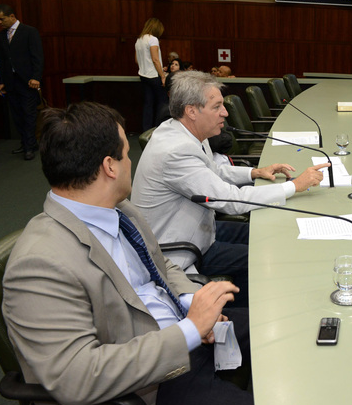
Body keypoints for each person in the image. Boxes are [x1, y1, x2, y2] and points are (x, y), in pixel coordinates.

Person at [2, 101, 254, 405]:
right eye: (126, 153)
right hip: (147, 391)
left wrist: (192, 302)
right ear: (110, 166)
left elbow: (162, 266)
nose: (131, 161)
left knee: (281, 327)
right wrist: (190, 330)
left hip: (181, 336)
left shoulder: (120, 210)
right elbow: (78, 377)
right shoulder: (39, 264)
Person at [131, 71, 328, 307]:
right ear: (192, 111)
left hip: (202, 230)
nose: (225, 112)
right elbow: (230, 201)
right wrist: (294, 186)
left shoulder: (183, 131)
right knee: (262, 255)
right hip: (180, 251)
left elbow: (212, 171)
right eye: (217, 107)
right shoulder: (176, 151)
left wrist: (254, 172)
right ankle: (248, 313)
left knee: (268, 233)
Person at [0, 4, 43, 160]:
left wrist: (36, 77)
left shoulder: (29, 32)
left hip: (27, 81)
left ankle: (29, 147)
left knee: (29, 114)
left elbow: (37, 56)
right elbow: (3, 60)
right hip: (11, 82)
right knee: (17, 115)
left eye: (2, 19)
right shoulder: (1, 36)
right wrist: (2, 81)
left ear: (12, 16)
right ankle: (27, 143)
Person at [135, 17, 168, 132]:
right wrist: (162, 75)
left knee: (148, 104)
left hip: (143, 76)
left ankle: (147, 130)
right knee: (162, 103)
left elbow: (137, 60)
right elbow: (155, 59)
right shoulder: (153, 39)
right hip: (154, 76)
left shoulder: (139, 40)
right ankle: (160, 129)